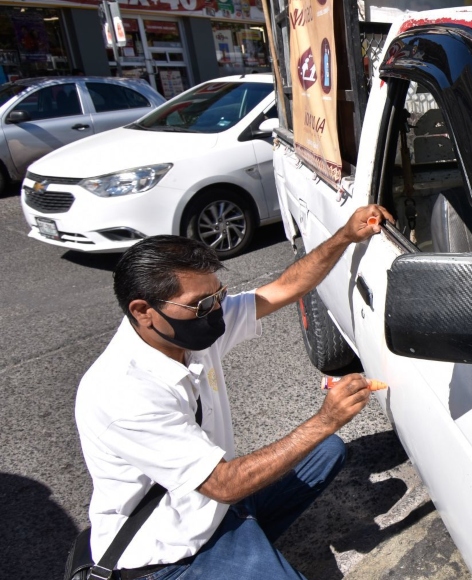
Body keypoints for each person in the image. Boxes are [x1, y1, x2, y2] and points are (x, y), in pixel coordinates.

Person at [75, 203, 393, 579]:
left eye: (218, 296)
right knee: (319, 439)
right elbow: (224, 484)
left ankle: (250, 536)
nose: (216, 311)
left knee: (328, 452)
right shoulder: (123, 394)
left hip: (215, 505)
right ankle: (240, 549)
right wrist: (327, 419)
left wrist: (345, 235)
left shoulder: (184, 331)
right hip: (175, 551)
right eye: (200, 304)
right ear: (144, 310)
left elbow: (283, 289)